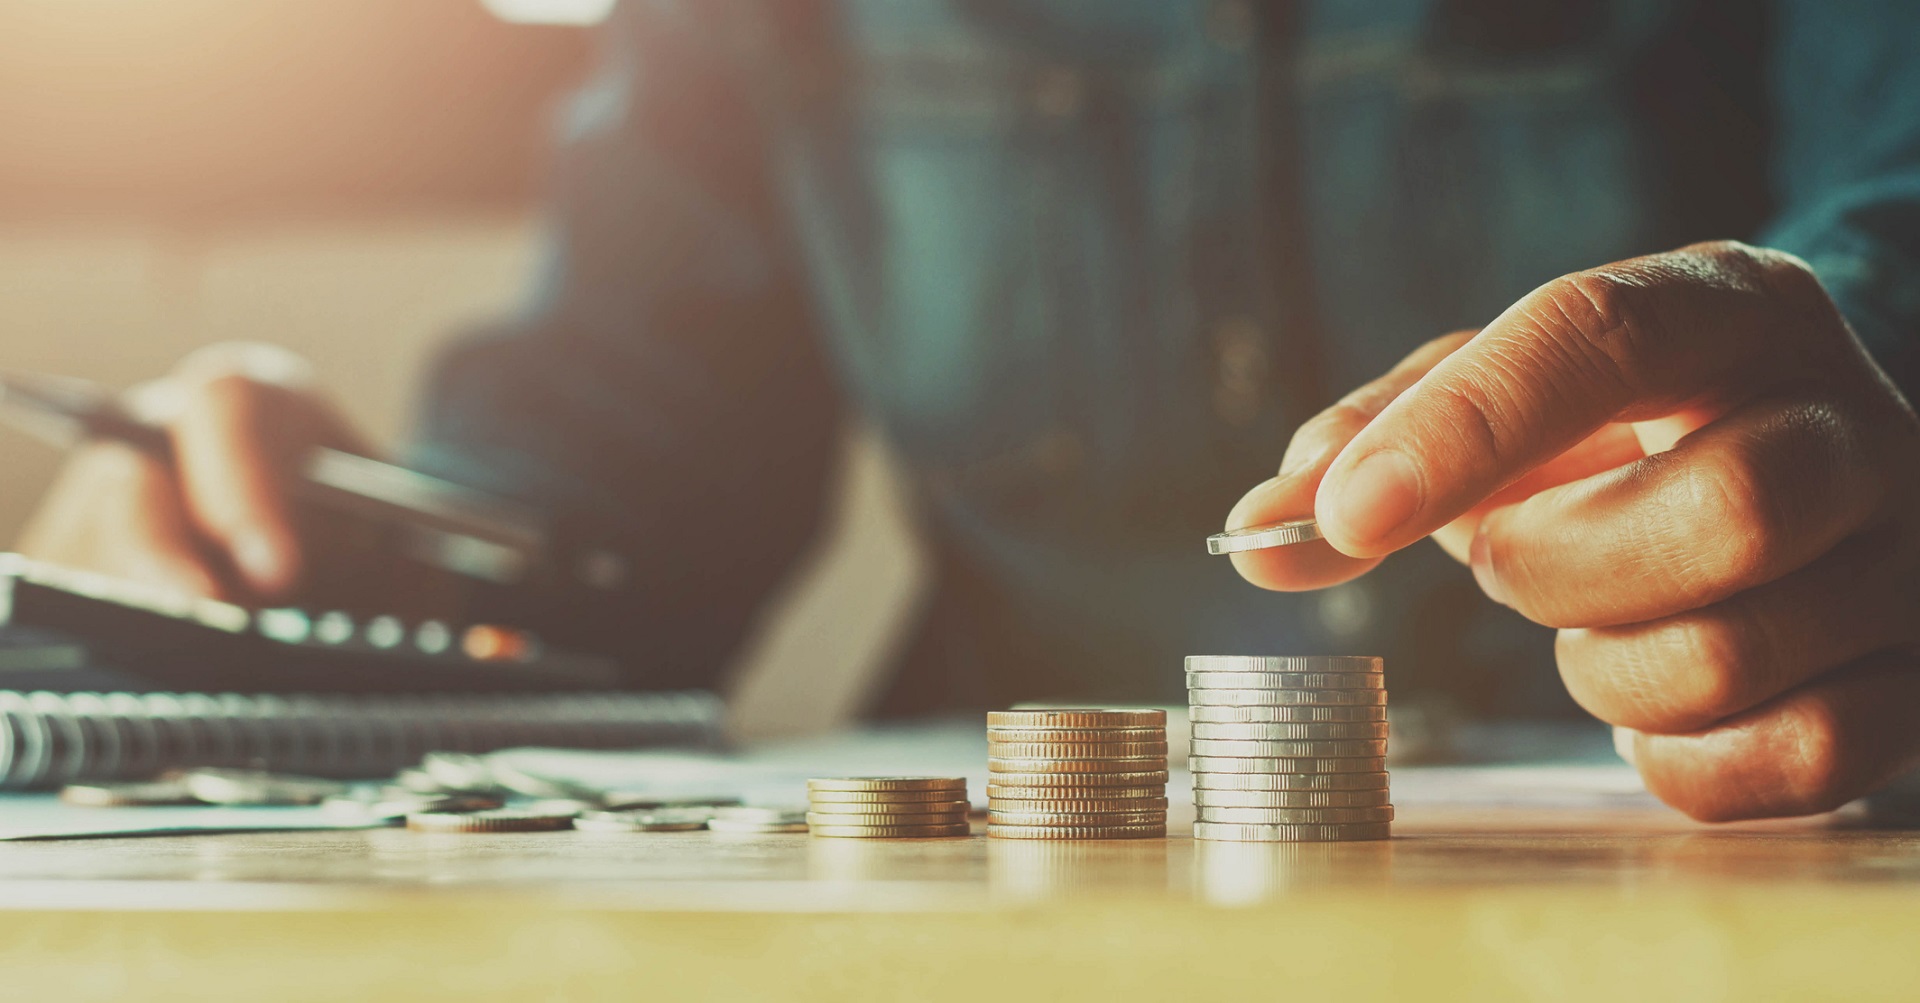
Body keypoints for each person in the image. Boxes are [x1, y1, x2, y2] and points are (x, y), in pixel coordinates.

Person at [17, 0, 1920, 822]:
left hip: (1713, 857)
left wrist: (1838, 423)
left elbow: (1890, 221)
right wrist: (297, 543)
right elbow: (602, 509)